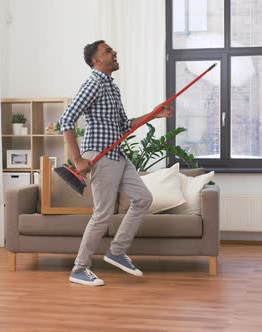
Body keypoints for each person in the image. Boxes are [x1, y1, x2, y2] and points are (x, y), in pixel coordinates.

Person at [59, 40, 174, 286]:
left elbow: (125, 126)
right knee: (102, 214)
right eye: (108, 51)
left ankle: (117, 251)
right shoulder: (92, 84)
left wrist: (155, 113)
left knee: (143, 198)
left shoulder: (111, 87)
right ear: (97, 60)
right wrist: (78, 158)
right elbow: (66, 119)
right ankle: (79, 269)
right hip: (99, 154)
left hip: (117, 155)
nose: (114, 52)